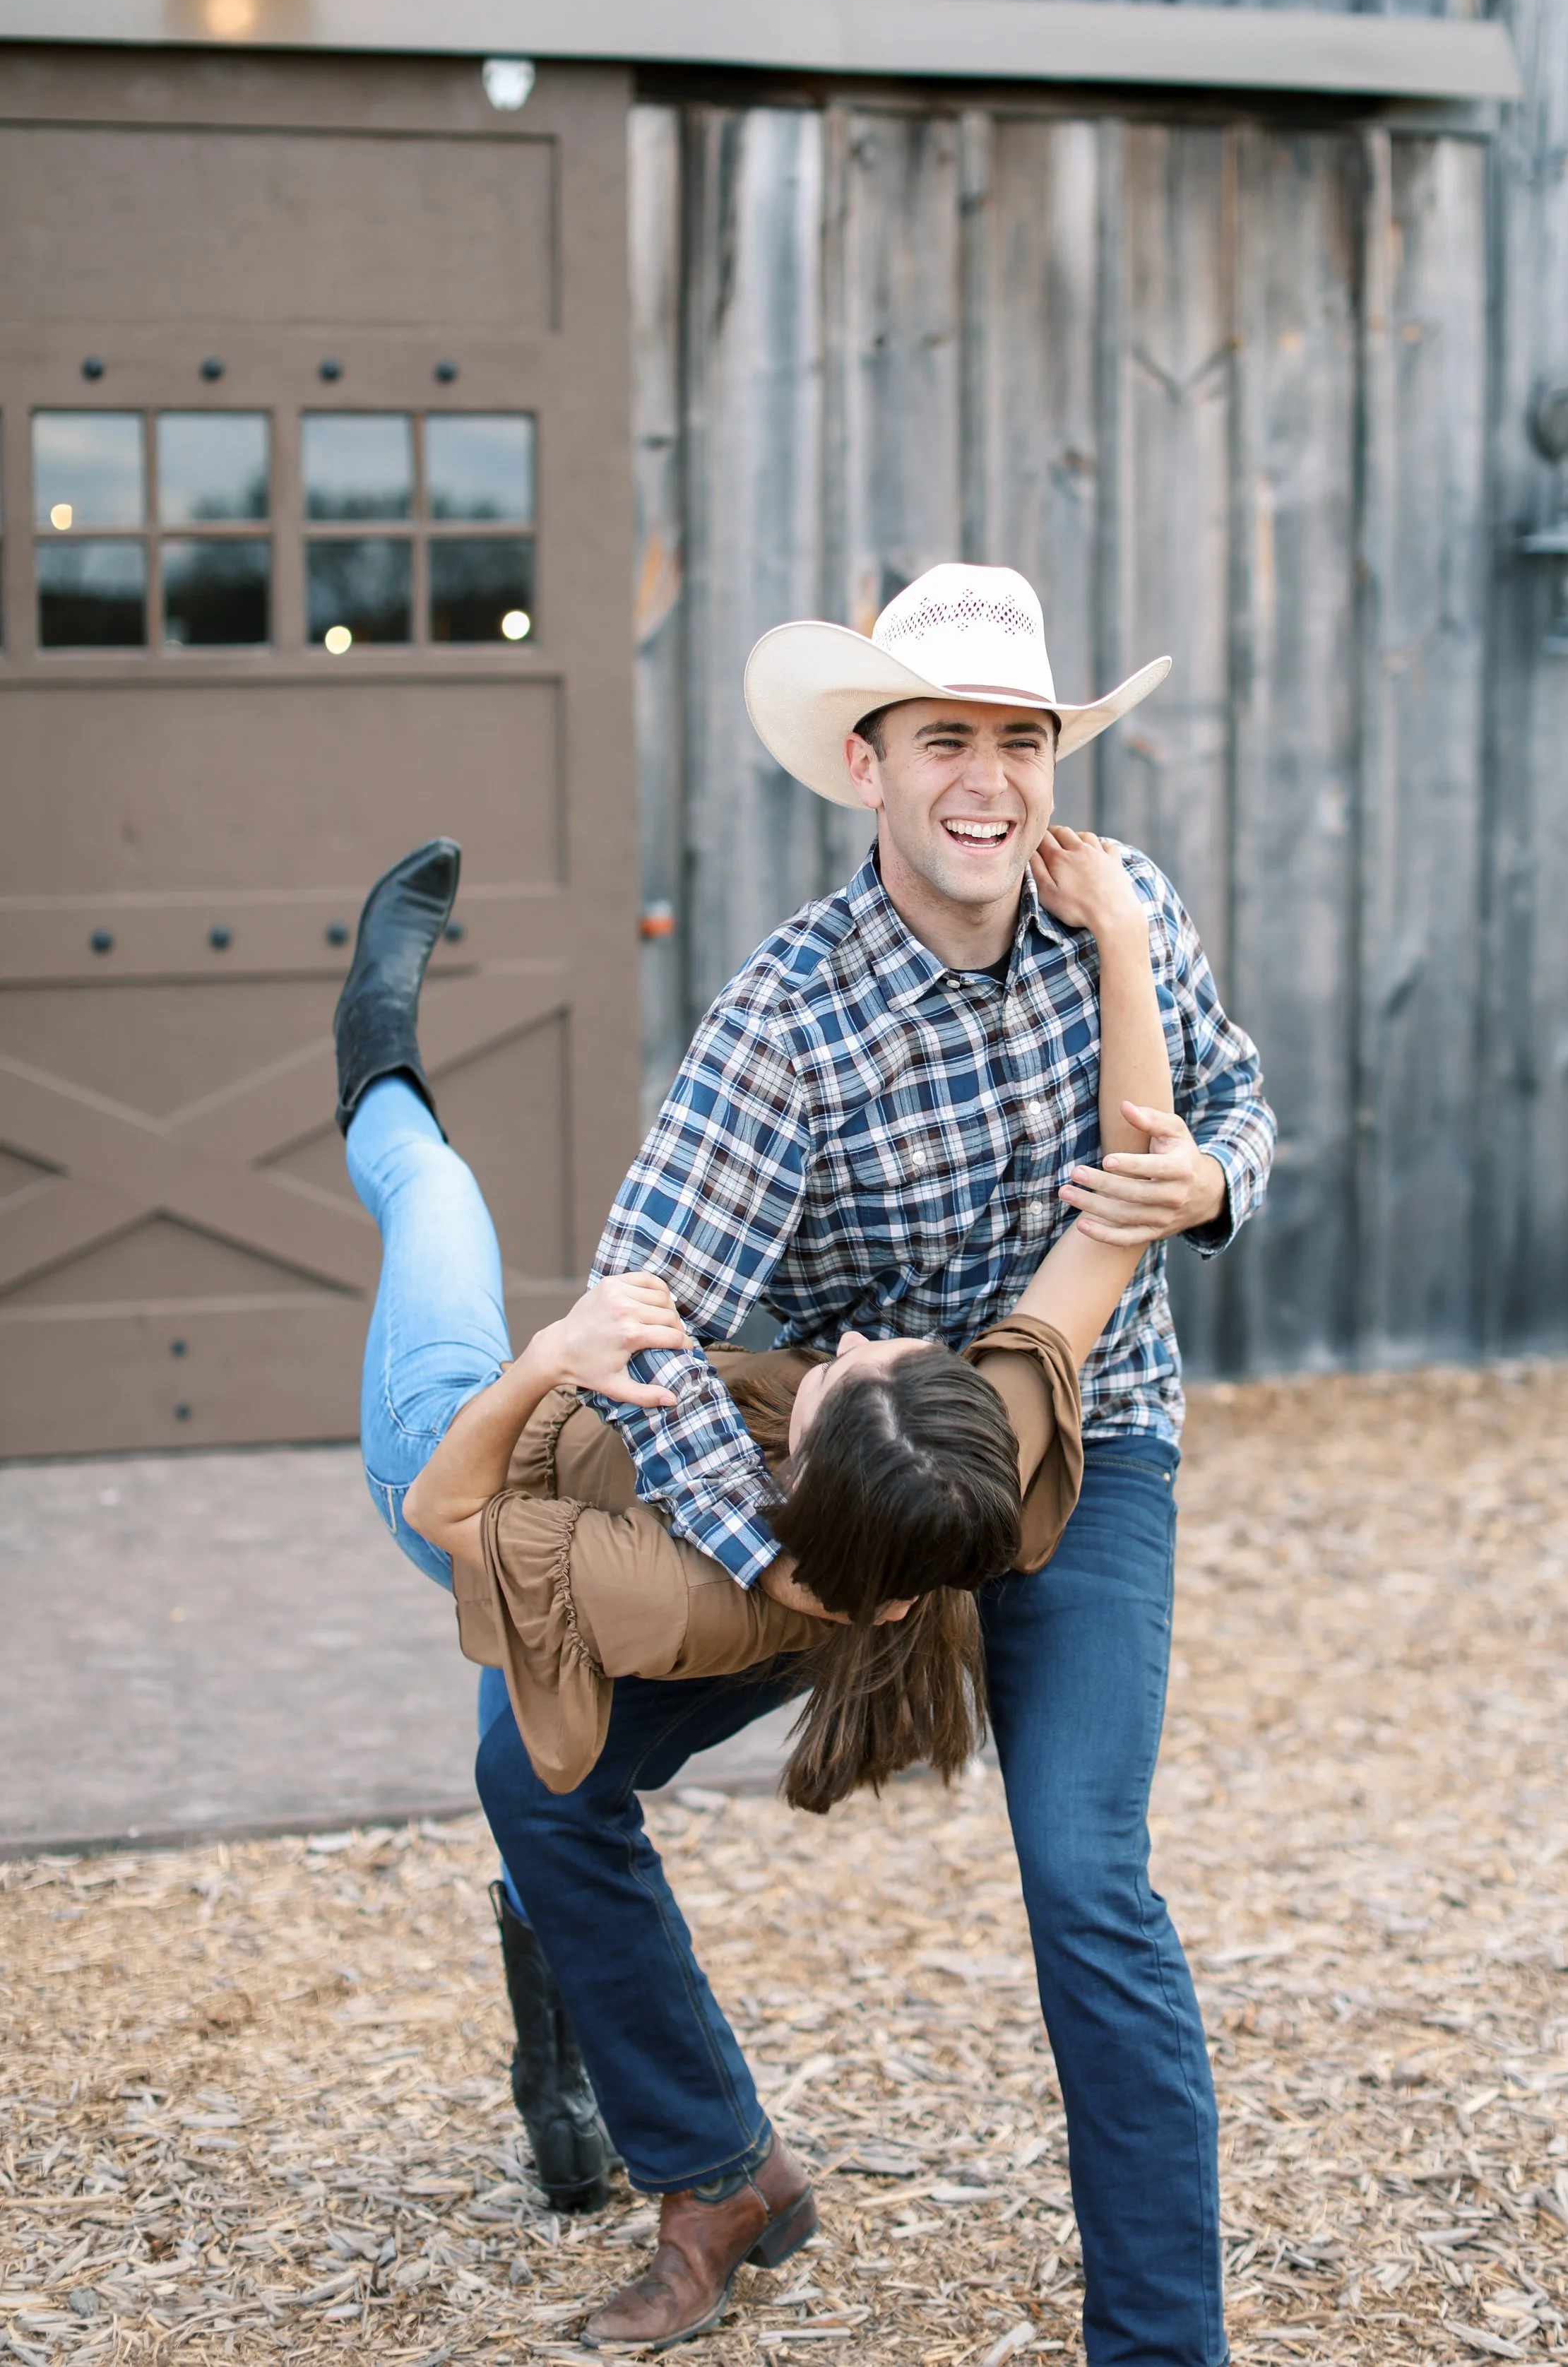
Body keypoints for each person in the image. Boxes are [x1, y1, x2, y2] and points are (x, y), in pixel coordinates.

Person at [470, 562, 1277, 2366]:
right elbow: (643, 1324)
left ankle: (1159, 2349)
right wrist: (775, 1569)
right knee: (538, 1766)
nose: (984, 779)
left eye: (1018, 739)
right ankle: (716, 2166)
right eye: (943, 742)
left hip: (1086, 1445)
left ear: (1051, 759)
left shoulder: (1121, 912)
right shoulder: (789, 1022)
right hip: (856, 1481)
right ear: (868, 765)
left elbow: (1233, 1105)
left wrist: (1217, 1183)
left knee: (1087, 1879)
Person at [335, 815, 1184, 2339]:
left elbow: (458, 1514)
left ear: (814, 1481)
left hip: (464, 1452)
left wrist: (539, 1366)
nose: (867, 1333)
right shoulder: (967, 1438)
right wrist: (1122, 941)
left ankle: (379, 1079)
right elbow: (1115, 1213)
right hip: (587, 1437)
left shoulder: (687, 1593)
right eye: (882, 1350)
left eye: (849, 1370)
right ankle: (698, 2140)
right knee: (536, 1778)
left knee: (432, 1208)